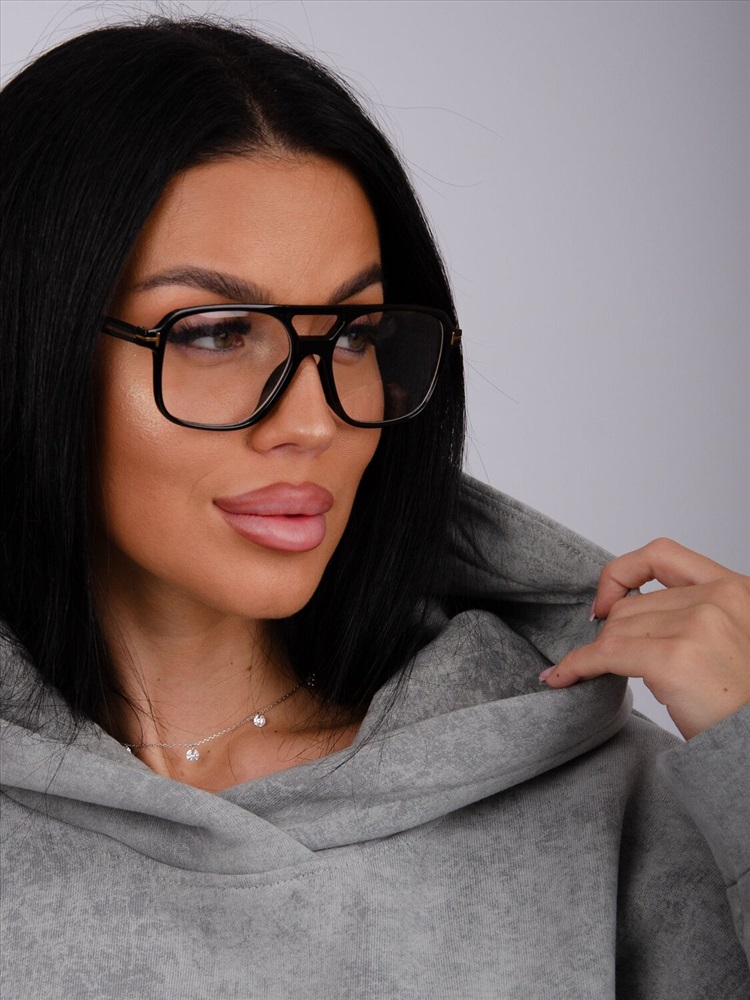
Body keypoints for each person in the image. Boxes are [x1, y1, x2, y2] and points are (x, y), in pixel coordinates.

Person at [0, 16, 748, 999]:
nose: (315, 421)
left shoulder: (604, 801)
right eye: (219, 332)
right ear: (32, 343)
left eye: (354, 335)